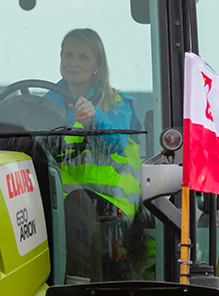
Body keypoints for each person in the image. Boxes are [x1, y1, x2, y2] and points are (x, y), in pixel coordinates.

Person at [45, 29, 151, 282]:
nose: (73, 62)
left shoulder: (116, 103)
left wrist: (95, 117)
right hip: (57, 200)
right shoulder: (44, 103)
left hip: (108, 204)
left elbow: (116, 142)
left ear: (97, 65)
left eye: (83, 57)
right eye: (68, 55)